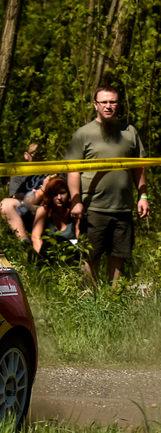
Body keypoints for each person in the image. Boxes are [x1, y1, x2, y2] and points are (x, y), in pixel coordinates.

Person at [65, 84, 149, 285]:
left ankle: (114, 300)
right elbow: (73, 170)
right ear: (95, 105)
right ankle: (88, 302)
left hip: (123, 207)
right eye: (104, 102)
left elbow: (140, 168)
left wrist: (143, 196)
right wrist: (76, 201)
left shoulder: (129, 132)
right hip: (93, 208)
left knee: (118, 256)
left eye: (112, 102)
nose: (108, 106)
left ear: (118, 105)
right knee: (90, 257)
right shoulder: (83, 133)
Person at [0, 143, 55, 245]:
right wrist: (43, 189)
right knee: (5, 204)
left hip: (51, 208)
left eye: (42, 153)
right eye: (35, 153)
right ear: (26, 155)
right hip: (29, 209)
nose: (38, 156)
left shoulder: (52, 169)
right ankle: (24, 241)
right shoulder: (19, 173)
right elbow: (19, 198)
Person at [31, 176, 77, 256]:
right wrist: (44, 259)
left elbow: (79, 235)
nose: (59, 198)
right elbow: (35, 237)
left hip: (70, 253)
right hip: (48, 254)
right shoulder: (43, 211)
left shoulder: (74, 210)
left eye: (62, 193)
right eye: (55, 194)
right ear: (49, 195)